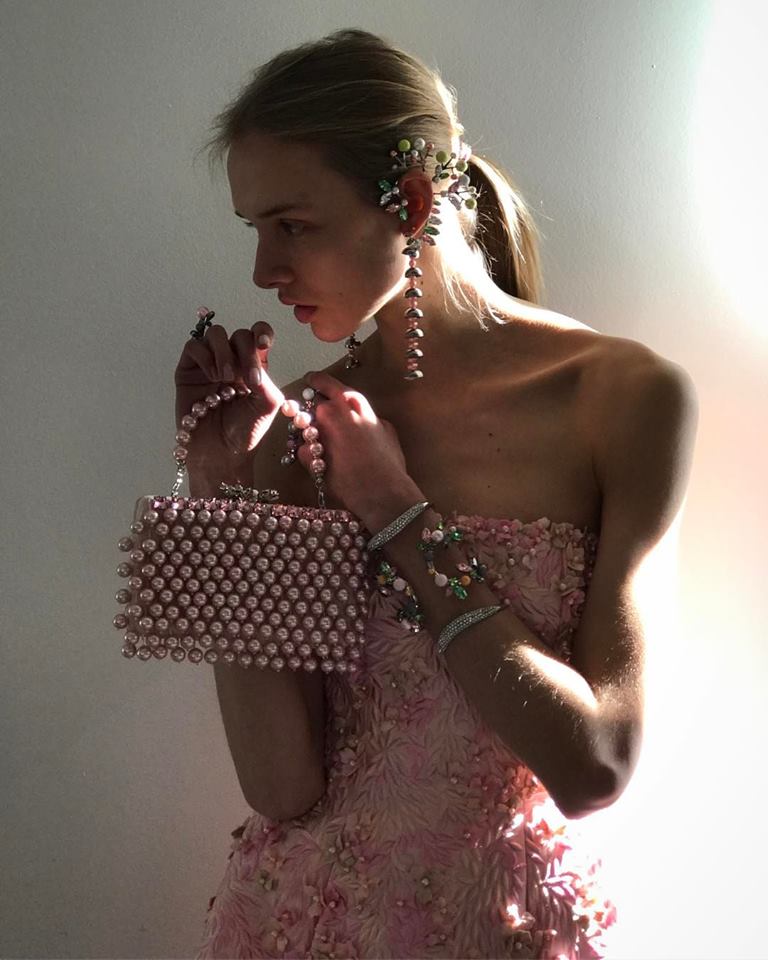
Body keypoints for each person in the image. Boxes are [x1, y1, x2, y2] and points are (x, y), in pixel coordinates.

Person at [176, 28, 699, 960]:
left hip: (501, 933)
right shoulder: (297, 427)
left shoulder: (621, 399)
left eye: (293, 225)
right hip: (296, 928)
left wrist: (399, 517)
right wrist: (226, 497)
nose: (263, 271)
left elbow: (595, 765)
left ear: (411, 202)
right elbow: (282, 787)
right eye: (254, 229)